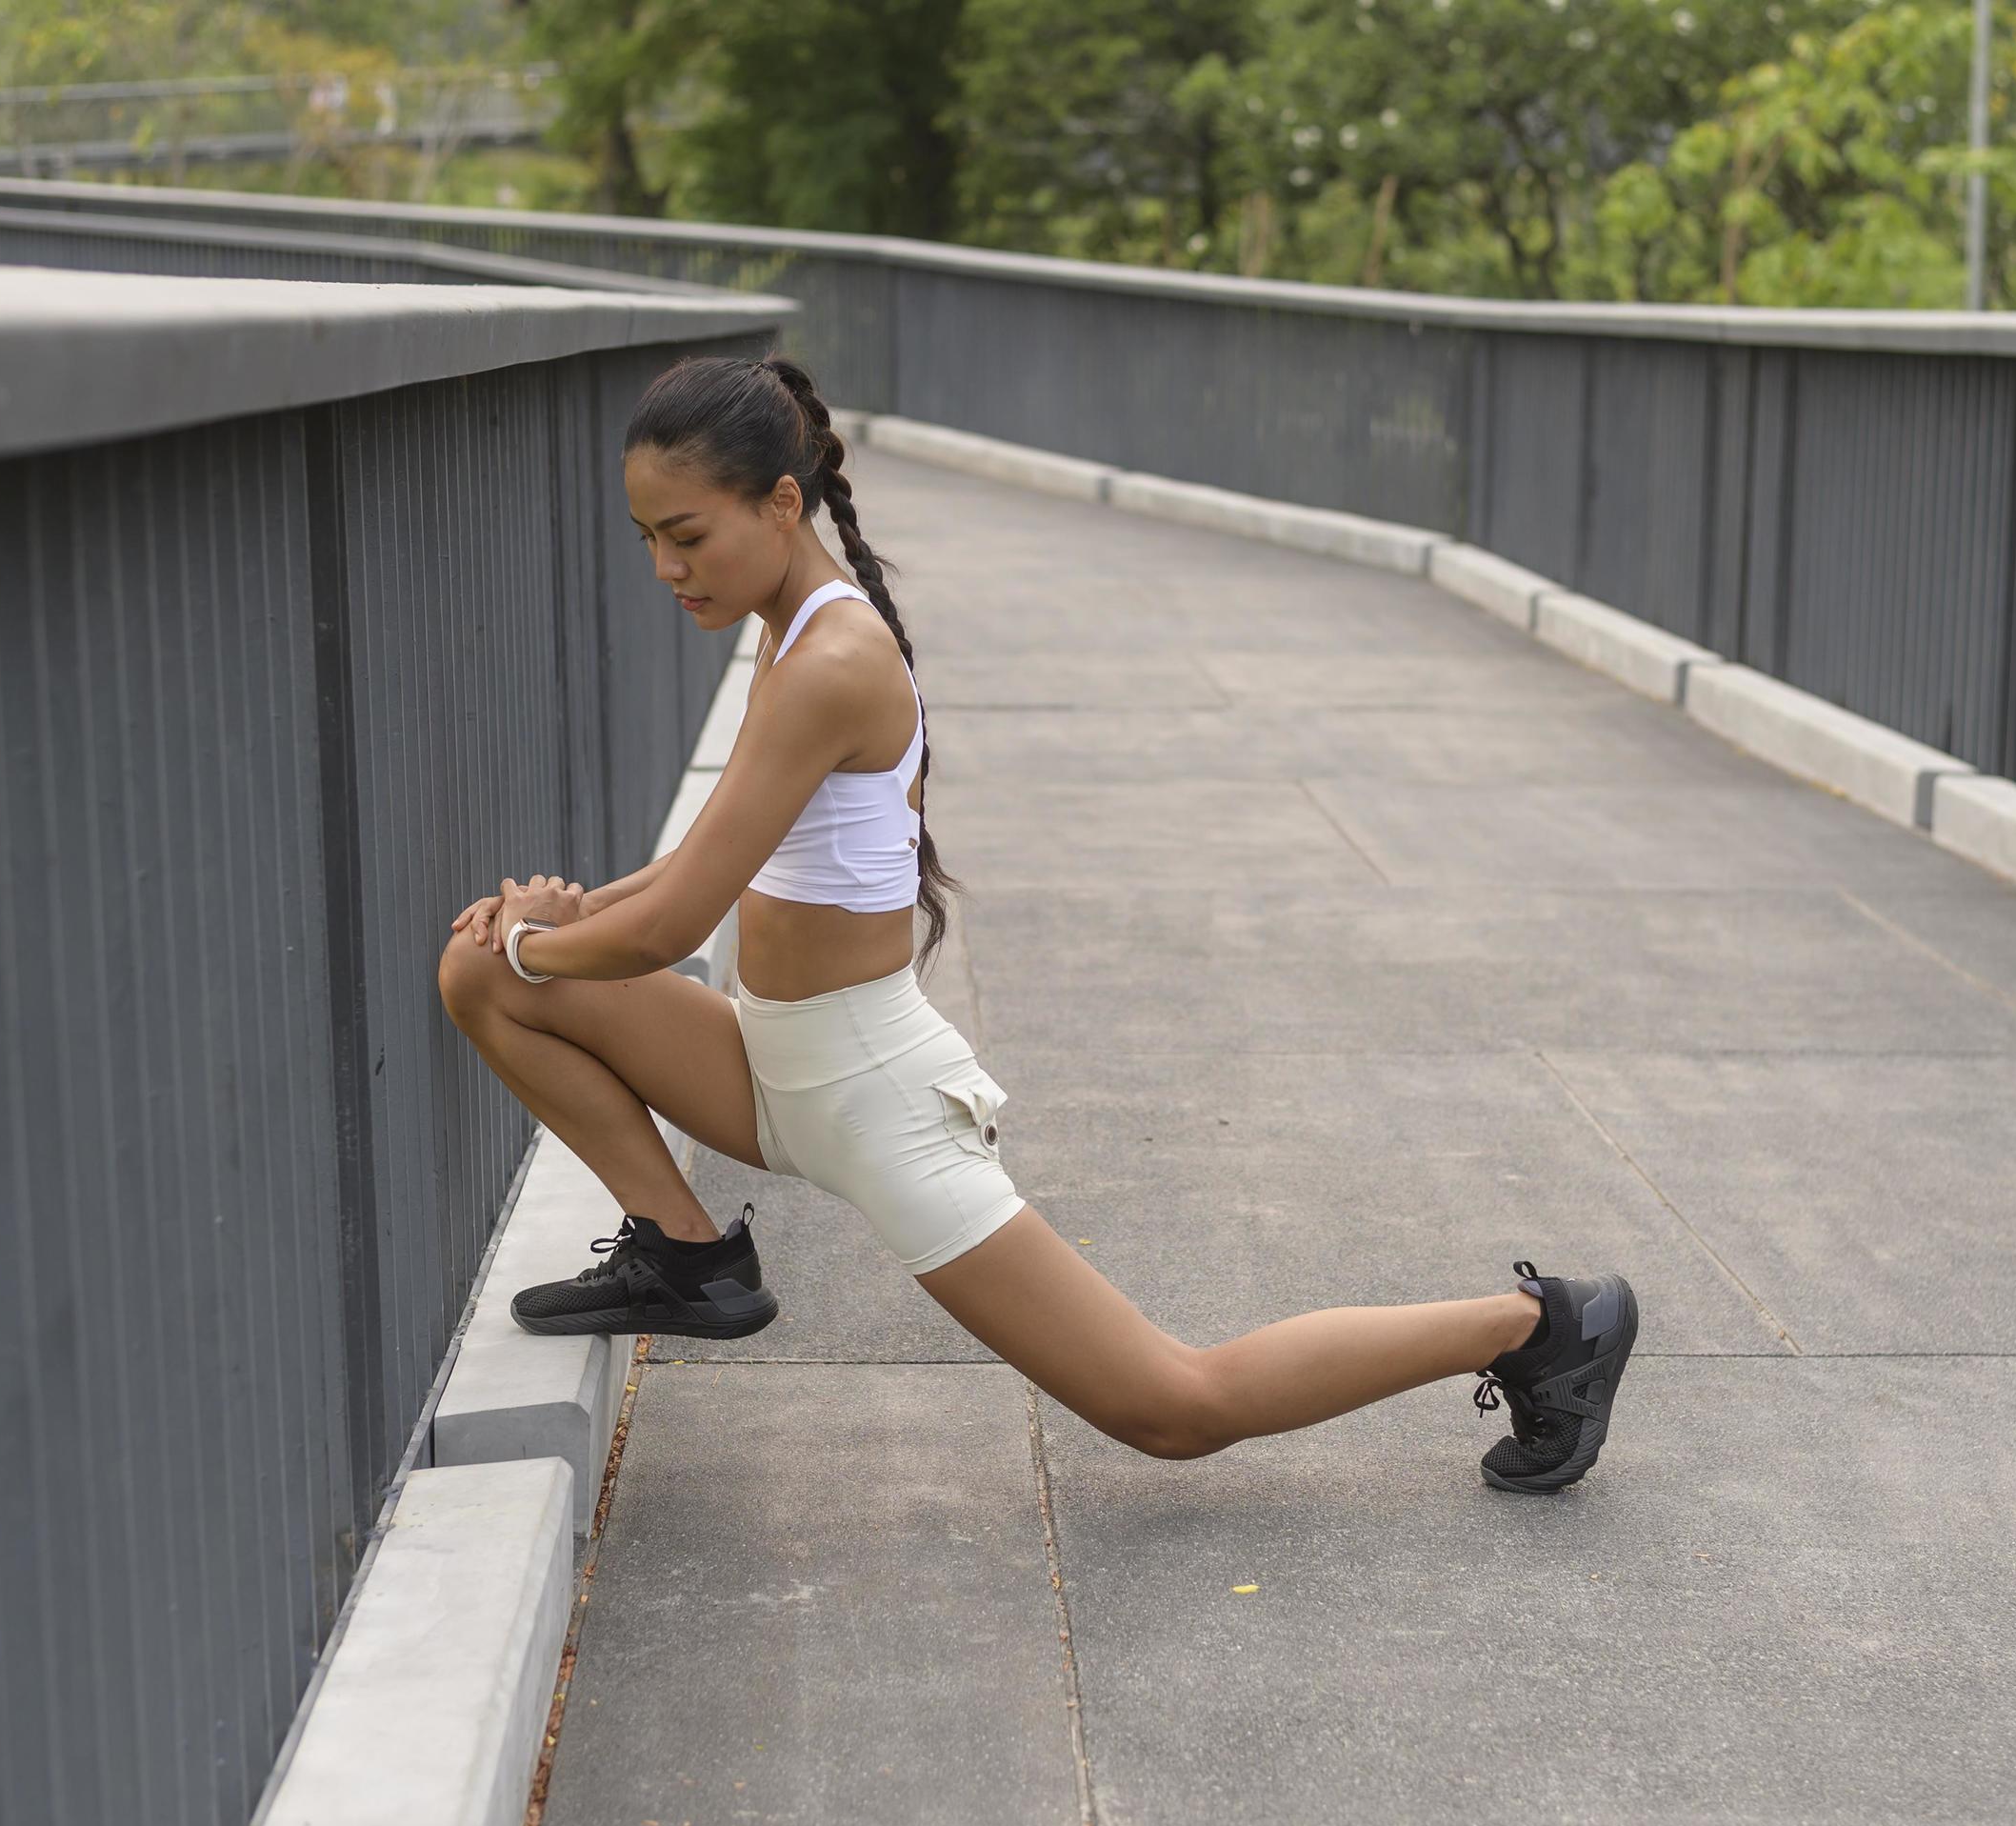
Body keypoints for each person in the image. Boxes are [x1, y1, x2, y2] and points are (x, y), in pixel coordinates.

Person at [432, 351, 1639, 1493]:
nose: (666, 567)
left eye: (686, 535)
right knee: (478, 974)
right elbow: (704, 864)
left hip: (869, 1097)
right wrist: (556, 920)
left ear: (781, 503)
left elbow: (677, 921)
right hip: (771, 1068)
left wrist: (545, 938)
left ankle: (1543, 1324)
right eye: (648, 539)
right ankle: (689, 1256)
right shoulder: (786, 626)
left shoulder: (831, 658)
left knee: (1174, 1405)